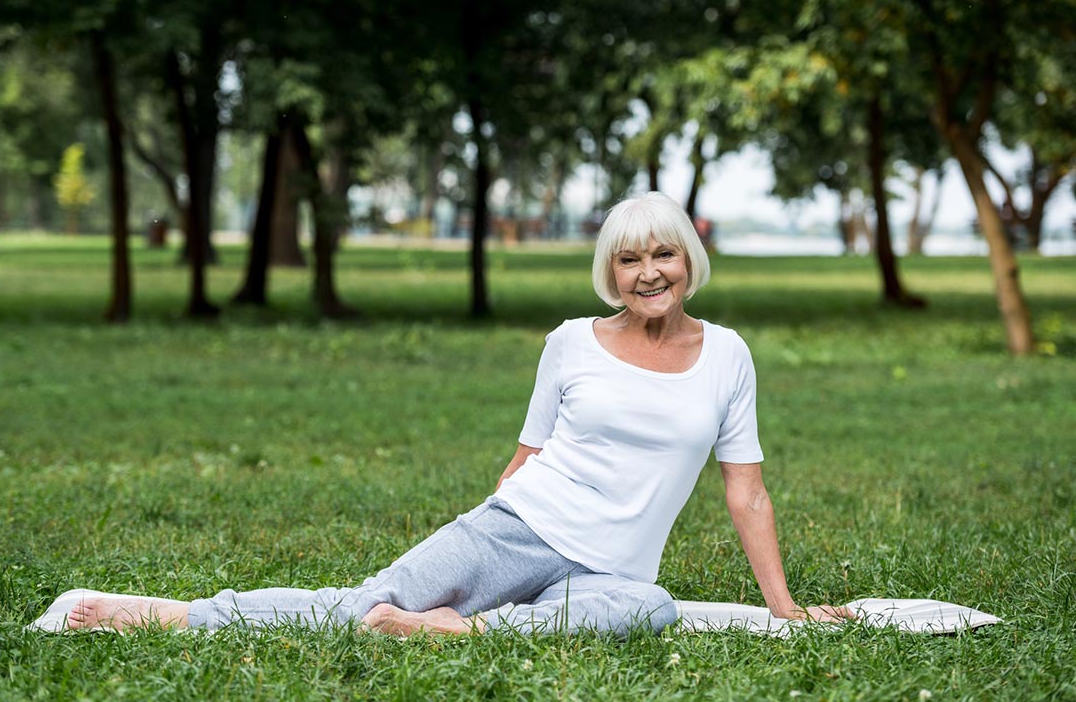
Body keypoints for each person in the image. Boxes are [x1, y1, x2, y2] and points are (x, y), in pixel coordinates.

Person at [58, 192, 852, 635]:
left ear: (690, 259)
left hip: (611, 573)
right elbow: (525, 459)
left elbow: (745, 491)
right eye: (630, 258)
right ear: (611, 270)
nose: (650, 273)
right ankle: (167, 613)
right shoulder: (571, 343)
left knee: (650, 608)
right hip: (518, 526)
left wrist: (783, 608)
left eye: (663, 254)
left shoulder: (727, 356)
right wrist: (475, 537)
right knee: (360, 604)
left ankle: (458, 631)